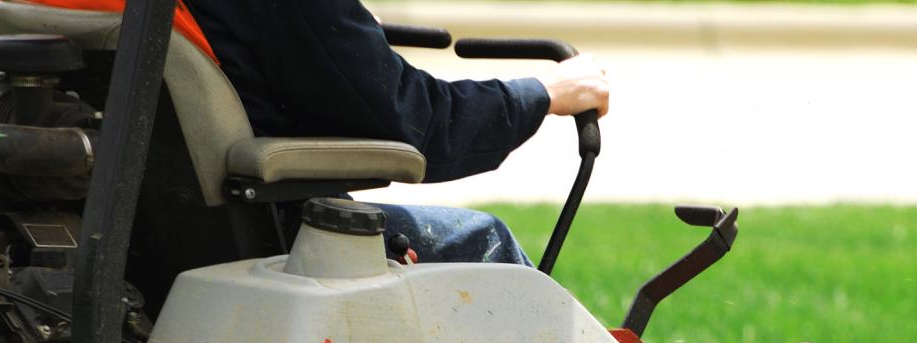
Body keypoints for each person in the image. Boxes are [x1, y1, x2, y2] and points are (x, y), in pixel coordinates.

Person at [125, 0, 610, 264]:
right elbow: (416, 125)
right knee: (485, 242)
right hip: (261, 240)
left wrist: (343, 28)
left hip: (139, 243)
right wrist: (543, 92)